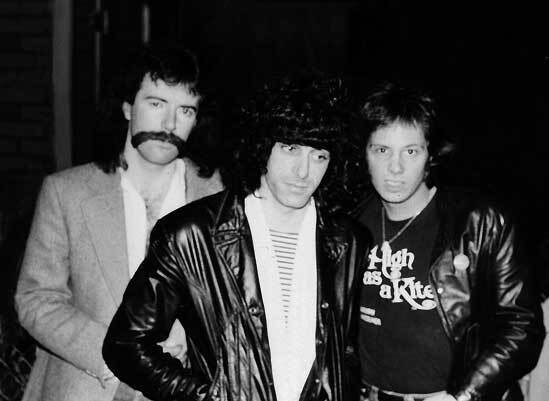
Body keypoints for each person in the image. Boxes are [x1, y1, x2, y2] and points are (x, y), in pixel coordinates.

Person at [102, 77, 369, 401]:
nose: (304, 171)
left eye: (319, 156)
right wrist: (207, 396)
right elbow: (124, 344)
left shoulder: (349, 240)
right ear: (263, 147)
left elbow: (345, 354)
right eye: (290, 149)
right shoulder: (190, 234)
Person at [15, 45, 224, 401]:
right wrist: (122, 354)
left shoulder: (218, 196)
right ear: (128, 106)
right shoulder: (67, 192)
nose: (169, 124)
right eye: (156, 104)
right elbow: (36, 299)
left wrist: (191, 335)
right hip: (88, 385)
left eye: (185, 110)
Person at [353, 83, 544, 401]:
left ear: (430, 155)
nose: (395, 168)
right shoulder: (349, 226)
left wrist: (463, 396)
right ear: (365, 154)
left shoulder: (479, 224)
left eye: (411, 151)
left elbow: (522, 326)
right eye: (382, 150)